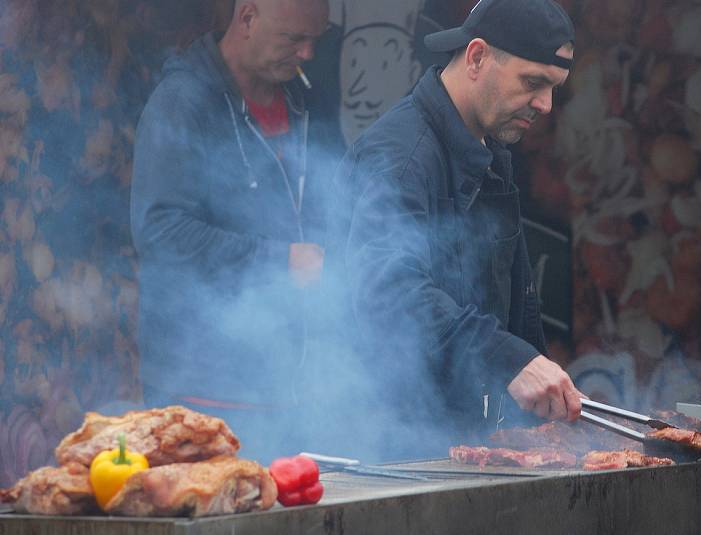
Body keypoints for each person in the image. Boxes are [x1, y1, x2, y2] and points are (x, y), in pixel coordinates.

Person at [328, 0, 583, 456]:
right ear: (477, 56)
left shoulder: (488, 149)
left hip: (462, 442)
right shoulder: (402, 156)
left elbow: (514, 299)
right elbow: (388, 288)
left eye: (554, 88)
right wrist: (509, 360)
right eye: (533, 82)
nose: (545, 105)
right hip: (391, 449)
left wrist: (537, 389)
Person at [130, 0, 334, 461]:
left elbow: (324, 199)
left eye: (314, 40)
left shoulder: (302, 97)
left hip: (292, 382)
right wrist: (280, 260)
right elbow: (160, 231)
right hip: (202, 390)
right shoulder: (182, 102)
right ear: (247, 18)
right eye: (293, 39)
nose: (307, 54)